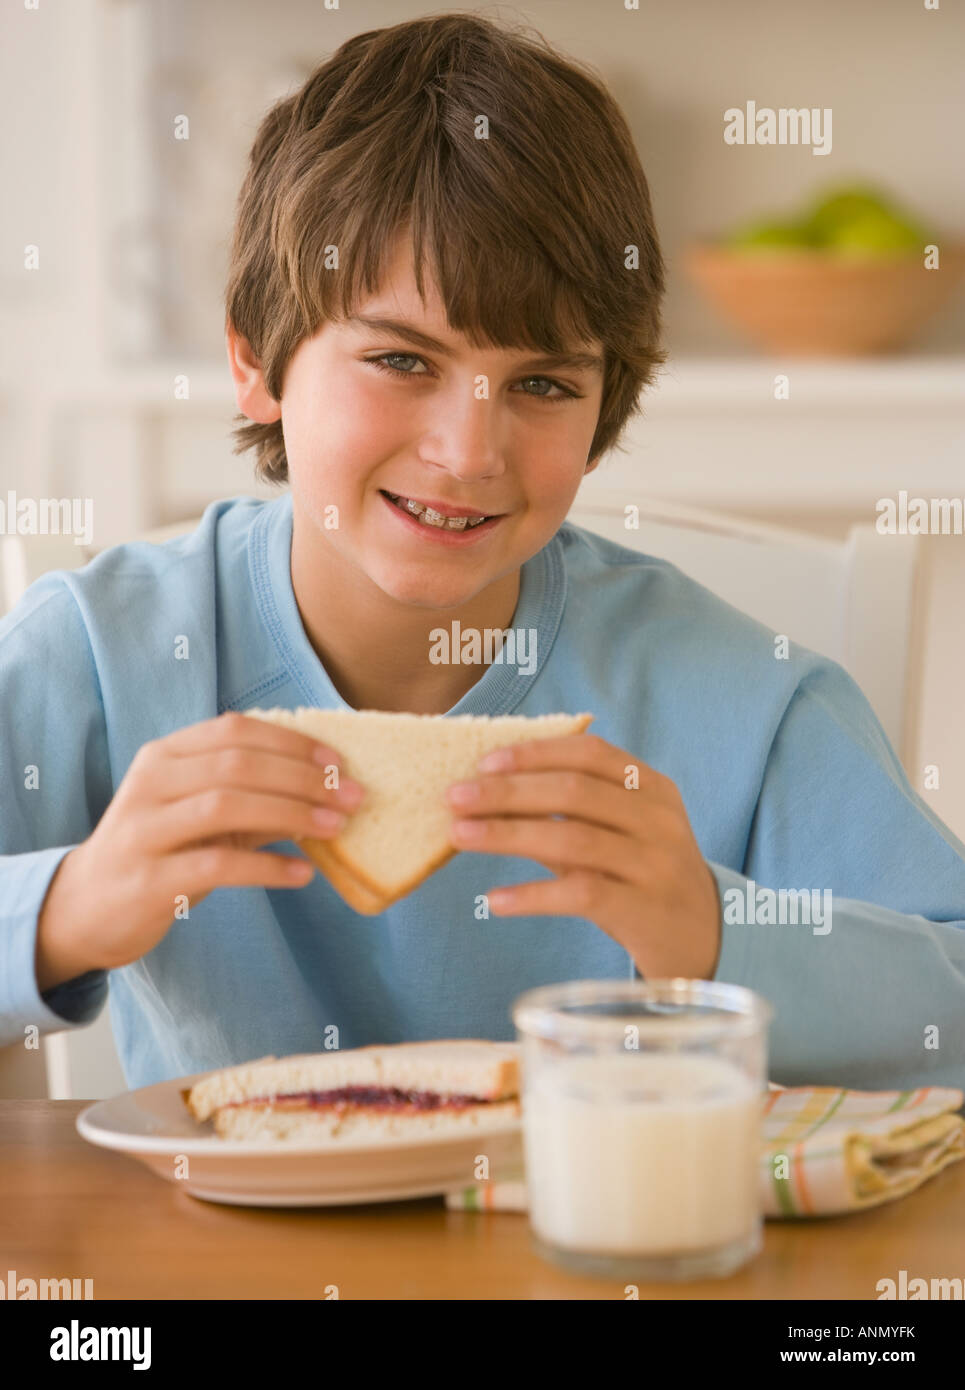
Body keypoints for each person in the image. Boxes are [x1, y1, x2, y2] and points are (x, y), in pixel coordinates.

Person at [1, 14, 963, 1092]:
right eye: (401, 359)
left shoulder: (750, 700)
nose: (466, 452)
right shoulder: (96, 655)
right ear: (256, 358)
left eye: (541, 384)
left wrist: (719, 934)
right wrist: (64, 909)